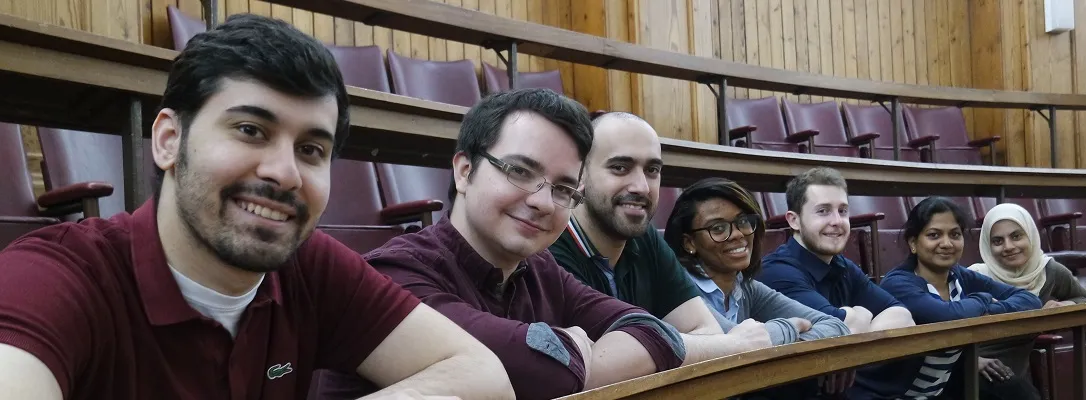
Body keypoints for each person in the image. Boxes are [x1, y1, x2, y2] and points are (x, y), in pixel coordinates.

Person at [0, 14, 512, 400]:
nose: (284, 172)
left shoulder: (312, 270)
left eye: (311, 149)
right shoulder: (56, 276)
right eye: (251, 130)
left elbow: (483, 376)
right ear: (169, 140)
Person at [318, 89, 773, 400]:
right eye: (519, 170)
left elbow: (652, 329)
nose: (541, 202)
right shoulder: (396, 274)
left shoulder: (538, 269)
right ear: (464, 170)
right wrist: (566, 350)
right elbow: (541, 370)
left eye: (562, 188)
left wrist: (573, 349)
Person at [549, 112, 724, 335]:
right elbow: (594, 363)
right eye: (620, 167)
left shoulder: (643, 236)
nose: (641, 187)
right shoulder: (550, 246)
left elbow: (708, 330)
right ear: (580, 174)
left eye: (652, 170)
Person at [856, 197, 1041, 399]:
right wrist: (984, 299)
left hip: (938, 390)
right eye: (934, 235)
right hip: (887, 395)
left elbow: (1029, 300)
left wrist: (988, 310)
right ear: (913, 243)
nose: (946, 243)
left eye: (955, 234)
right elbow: (946, 316)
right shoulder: (899, 283)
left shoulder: (959, 276)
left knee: (1016, 390)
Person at [754, 167, 915, 398]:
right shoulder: (777, 272)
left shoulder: (842, 265)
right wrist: (856, 320)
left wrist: (849, 354)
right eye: (823, 211)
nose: (837, 221)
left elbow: (902, 315)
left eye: (843, 211)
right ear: (794, 220)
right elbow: (837, 330)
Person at [663, 177, 849, 343]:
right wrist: (789, 327)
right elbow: (731, 344)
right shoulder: (679, 289)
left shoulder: (745, 287)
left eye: (743, 221)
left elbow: (836, 327)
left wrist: (784, 339)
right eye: (718, 228)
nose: (737, 234)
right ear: (689, 243)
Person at [967, 203, 1086, 400]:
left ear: (1031, 236)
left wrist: (1065, 305)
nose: (1008, 247)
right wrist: (971, 361)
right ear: (987, 245)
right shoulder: (974, 277)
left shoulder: (1049, 271)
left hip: (1011, 375)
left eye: (1016, 236)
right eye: (998, 241)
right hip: (972, 369)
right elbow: (939, 326)